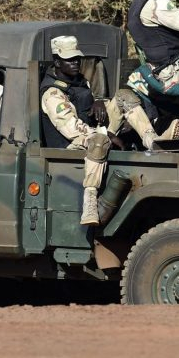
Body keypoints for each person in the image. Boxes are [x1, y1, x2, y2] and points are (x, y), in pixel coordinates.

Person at [40, 36, 116, 226]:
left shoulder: (80, 81)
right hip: (70, 144)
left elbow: (86, 106)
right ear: (57, 61)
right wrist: (106, 134)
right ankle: (90, 201)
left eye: (77, 58)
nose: (75, 63)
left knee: (124, 97)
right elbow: (73, 129)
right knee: (99, 141)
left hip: (89, 131)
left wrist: (99, 101)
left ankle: (152, 140)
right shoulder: (52, 93)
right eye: (69, 59)